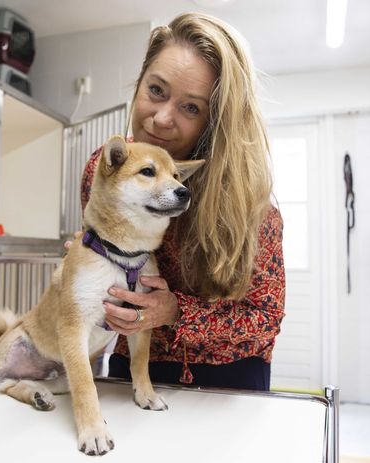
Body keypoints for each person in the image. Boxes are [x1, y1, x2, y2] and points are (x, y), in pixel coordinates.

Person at [72, 12, 285, 391]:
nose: (161, 119)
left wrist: (175, 312)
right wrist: (87, 258)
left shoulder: (252, 207)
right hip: (133, 365)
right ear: (139, 84)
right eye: (156, 90)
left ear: (214, 122)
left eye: (191, 107)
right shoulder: (102, 169)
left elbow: (265, 317)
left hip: (228, 378)